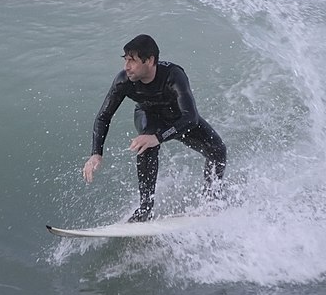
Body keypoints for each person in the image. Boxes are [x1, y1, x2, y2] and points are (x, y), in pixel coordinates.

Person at [82, 34, 227, 222]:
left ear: (150, 60)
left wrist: (159, 137)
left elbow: (190, 117)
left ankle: (211, 200)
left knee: (218, 150)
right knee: (145, 143)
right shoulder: (123, 81)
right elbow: (104, 116)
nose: (126, 67)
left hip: (179, 119)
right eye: (125, 60)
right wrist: (96, 153)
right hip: (147, 116)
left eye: (132, 61)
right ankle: (145, 209)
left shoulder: (173, 76)